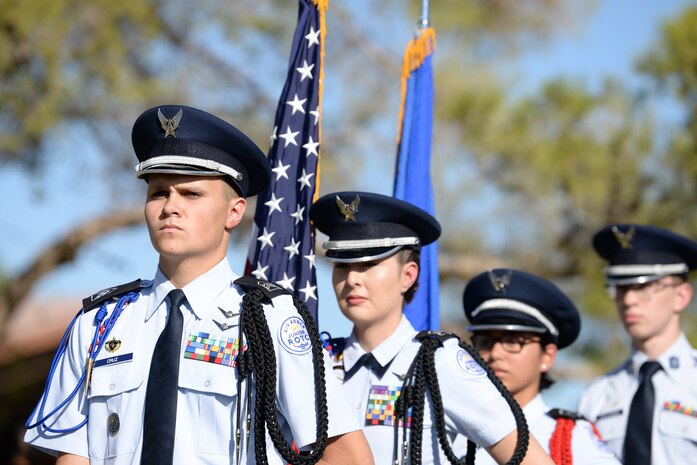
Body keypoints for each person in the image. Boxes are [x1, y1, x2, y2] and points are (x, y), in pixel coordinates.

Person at [24, 105, 373, 465]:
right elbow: (73, 456)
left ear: (234, 212)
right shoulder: (99, 323)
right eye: (158, 193)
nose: (170, 207)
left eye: (191, 194)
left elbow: (348, 456)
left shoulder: (269, 320)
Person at [310, 191, 555, 465]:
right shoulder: (316, 364)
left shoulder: (440, 362)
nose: (352, 278)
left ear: (408, 275)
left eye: (369, 264)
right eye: (342, 265)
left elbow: (533, 460)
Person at [462, 268, 619, 465]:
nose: (495, 354)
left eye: (513, 341)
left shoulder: (569, 438)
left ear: (548, 356)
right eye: (484, 342)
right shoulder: (450, 429)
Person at [578, 224, 697, 464]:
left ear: (681, 296)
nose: (629, 300)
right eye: (621, 288)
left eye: (643, 287)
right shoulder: (597, 396)